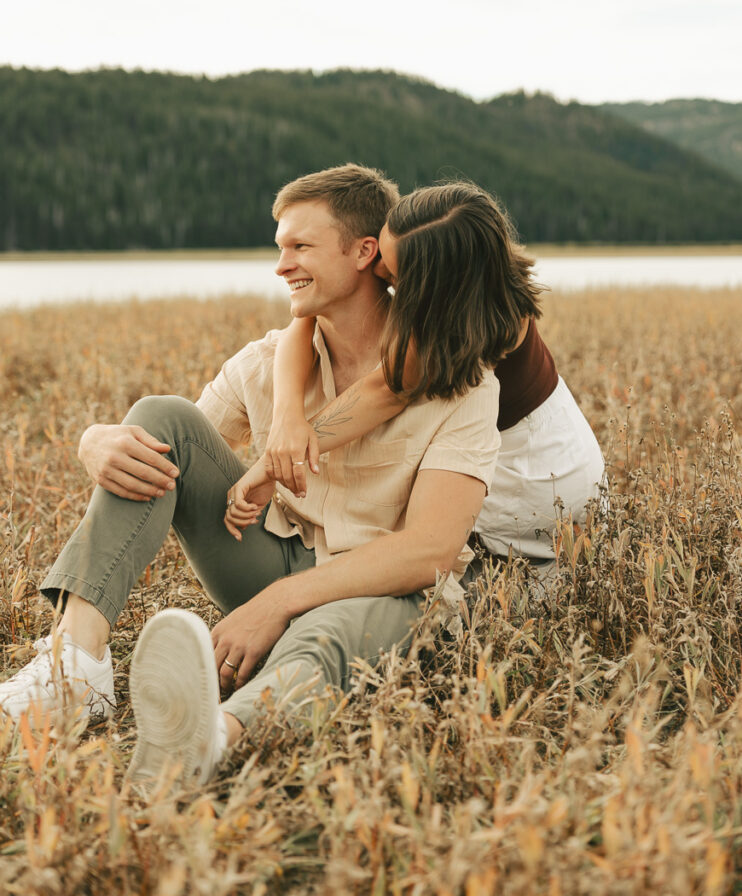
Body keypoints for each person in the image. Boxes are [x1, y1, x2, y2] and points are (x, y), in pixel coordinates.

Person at [0, 164, 508, 790]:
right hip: (274, 559)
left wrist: (276, 604)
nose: (281, 265)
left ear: (363, 253)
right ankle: (76, 667)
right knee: (161, 417)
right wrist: (94, 441)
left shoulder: (462, 380)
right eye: (279, 247)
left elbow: (430, 550)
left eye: (300, 247)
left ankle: (213, 739)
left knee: (327, 635)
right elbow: (170, 449)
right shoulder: (271, 359)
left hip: (385, 594)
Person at [238, 183, 605, 581]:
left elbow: (383, 391)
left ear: (432, 288)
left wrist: (276, 462)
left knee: (483, 585)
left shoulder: (462, 324)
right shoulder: (443, 248)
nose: (376, 269)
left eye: (393, 275)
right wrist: (287, 416)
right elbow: (305, 320)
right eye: (381, 250)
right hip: (509, 447)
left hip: (533, 471)